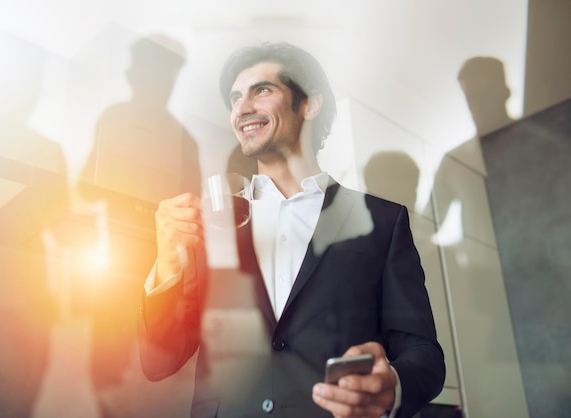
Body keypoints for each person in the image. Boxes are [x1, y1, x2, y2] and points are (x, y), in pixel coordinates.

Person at [138, 42, 445, 418]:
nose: (242, 109)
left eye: (262, 90)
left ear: (309, 105)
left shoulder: (383, 221)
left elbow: (424, 356)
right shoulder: (213, 221)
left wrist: (391, 384)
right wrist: (168, 263)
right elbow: (158, 362)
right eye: (235, 98)